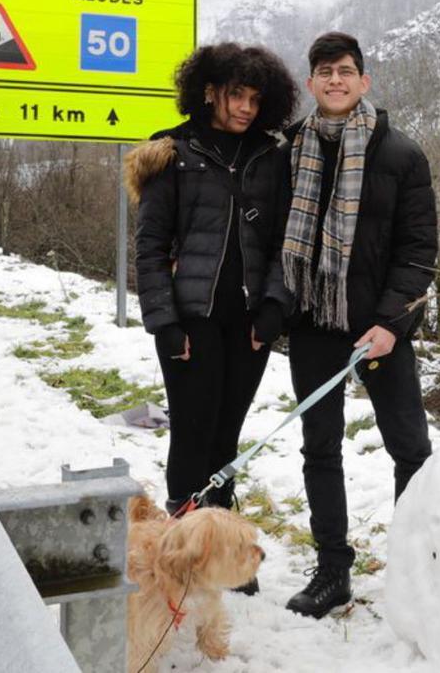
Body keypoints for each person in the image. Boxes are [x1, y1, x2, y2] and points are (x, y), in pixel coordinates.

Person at [280, 31, 437, 618]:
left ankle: (417, 567)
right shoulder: (289, 148)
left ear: (364, 80)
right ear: (311, 83)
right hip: (314, 323)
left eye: (346, 71)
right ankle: (332, 571)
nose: (336, 80)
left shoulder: (401, 154)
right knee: (319, 448)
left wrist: (392, 322)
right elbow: (273, 238)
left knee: (410, 448)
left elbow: (419, 249)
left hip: (381, 328)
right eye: (325, 71)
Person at [126, 43, 299, 538]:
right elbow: (151, 247)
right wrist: (163, 322)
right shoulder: (173, 152)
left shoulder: (272, 157)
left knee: (227, 439)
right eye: (236, 95)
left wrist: (273, 307)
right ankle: (182, 545)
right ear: (209, 91)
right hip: (191, 322)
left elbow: (285, 242)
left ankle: (219, 545)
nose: (246, 107)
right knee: (192, 435)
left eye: (255, 98)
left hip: (248, 325)